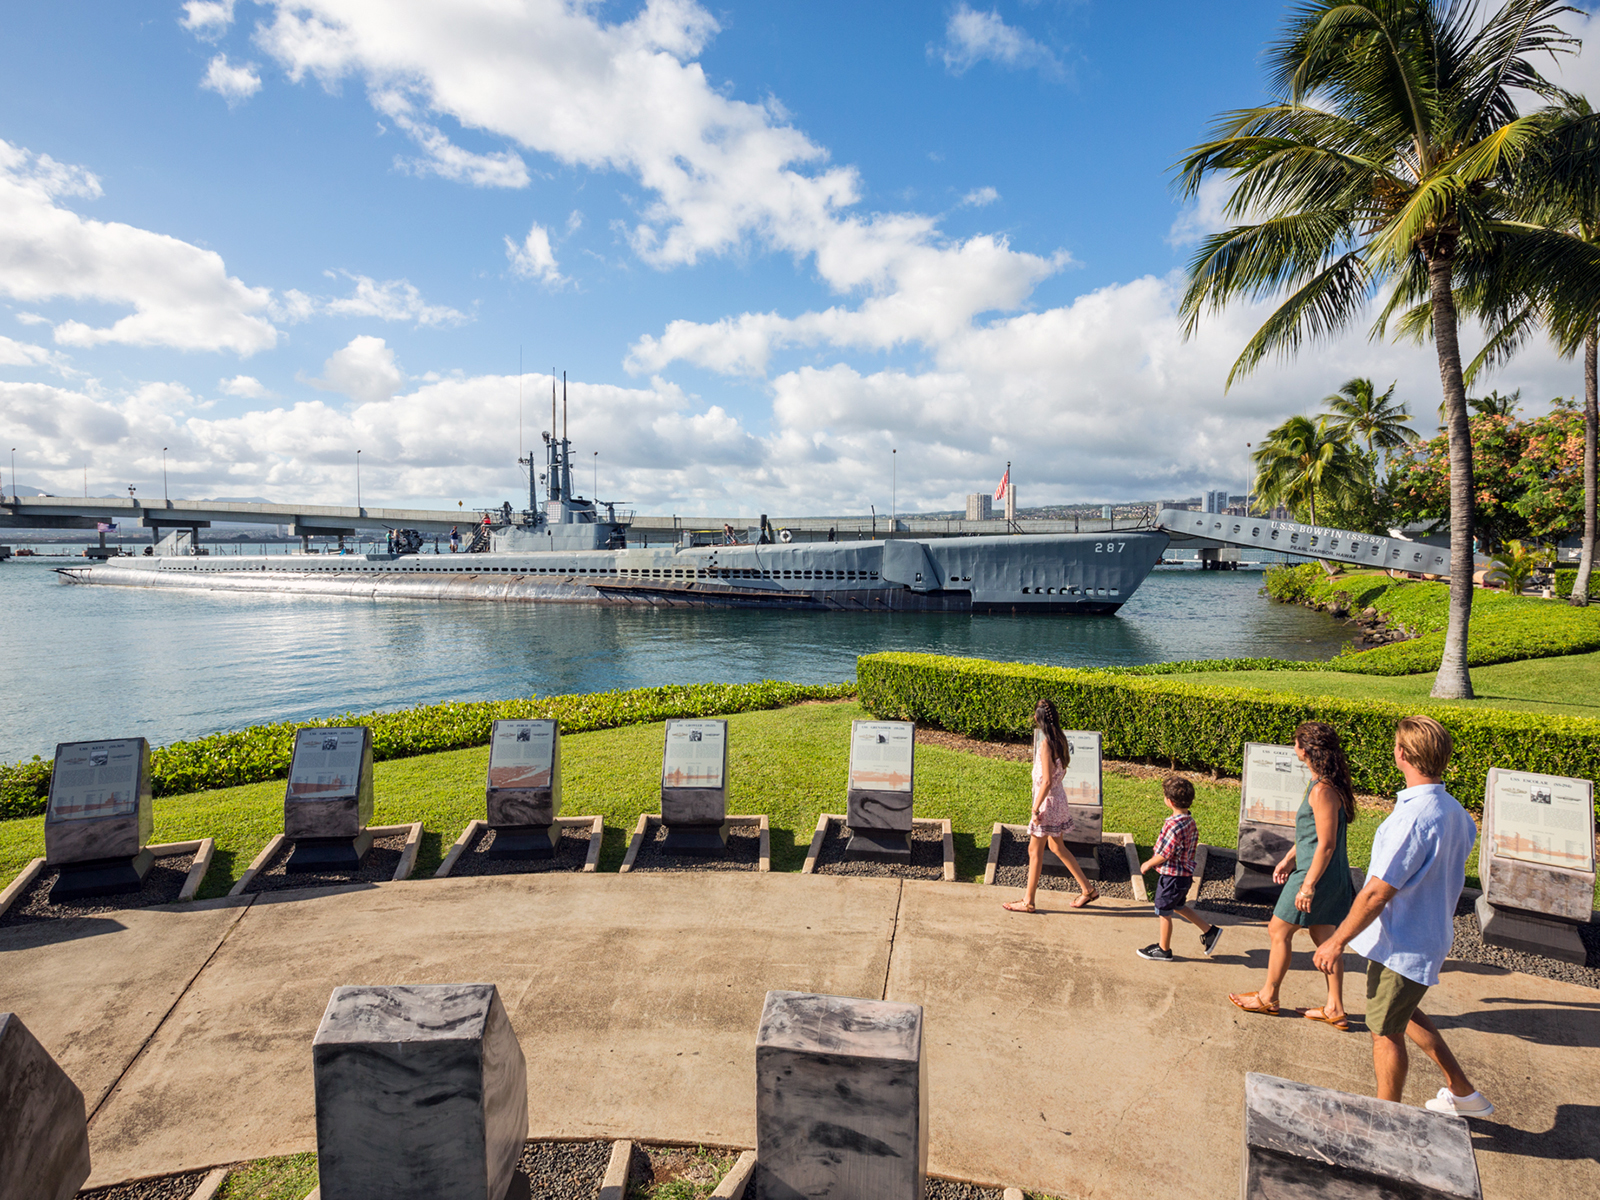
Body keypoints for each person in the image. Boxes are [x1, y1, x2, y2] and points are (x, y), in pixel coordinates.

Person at [1312, 716, 1492, 1115]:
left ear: (1402, 754)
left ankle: (1385, 1121)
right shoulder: (1455, 811)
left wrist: (1336, 941)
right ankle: (1463, 1093)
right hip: (1425, 935)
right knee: (1404, 1013)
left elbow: (1377, 891)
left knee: (1385, 1030)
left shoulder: (1414, 818)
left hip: (1402, 943)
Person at [1228, 721, 1357, 1029]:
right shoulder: (1323, 784)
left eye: (1296, 744)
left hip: (1316, 875)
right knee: (1324, 938)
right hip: (1320, 871)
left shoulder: (1323, 790)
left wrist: (1308, 886)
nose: (1294, 748)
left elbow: (1325, 844)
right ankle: (1334, 1008)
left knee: (1278, 931)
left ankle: (1268, 997)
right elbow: (1311, 835)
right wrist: (1288, 858)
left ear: (1307, 750)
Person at [1004, 699, 1100, 912]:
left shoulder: (1046, 743)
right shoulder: (1060, 738)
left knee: (1034, 850)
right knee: (1057, 846)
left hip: (1047, 804)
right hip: (1059, 800)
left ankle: (1028, 901)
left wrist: (1035, 808)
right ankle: (1088, 890)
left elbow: (1046, 780)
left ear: (1038, 719)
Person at [1136, 777, 1222, 961]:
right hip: (1184, 875)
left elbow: (1166, 853)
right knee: (1179, 905)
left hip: (1172, 877)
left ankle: (1163, 949)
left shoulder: (1173, 825)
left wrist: (1149, 863)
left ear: (1170, 801)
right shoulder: (1189, 820)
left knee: (1163, 910)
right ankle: (1210, 931)